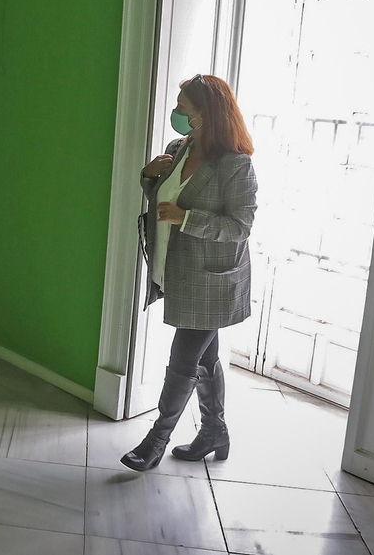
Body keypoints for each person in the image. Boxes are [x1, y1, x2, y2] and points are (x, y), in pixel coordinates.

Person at [121, 73, 258, 471]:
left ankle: (155, 442)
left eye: (184, 105)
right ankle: (214, 431)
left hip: (211, 280)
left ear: (207, 112)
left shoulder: (236, 164)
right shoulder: (176, 149)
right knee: (205, 354)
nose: (177, 111)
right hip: (174, 267)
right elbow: (163, 202)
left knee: (183, 358)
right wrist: (149, 177)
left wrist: (188, 219)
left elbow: (240, 228)